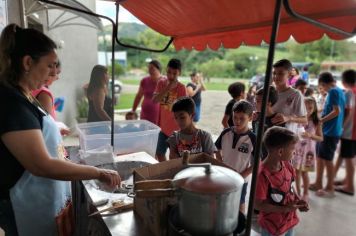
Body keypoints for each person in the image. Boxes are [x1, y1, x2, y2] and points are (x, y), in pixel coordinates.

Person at [0, 24, 120, 236]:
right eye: (49, 66)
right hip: (24, 203)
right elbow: (41, 165)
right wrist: (98, 172)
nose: (53, 72)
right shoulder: (12, 103)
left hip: (43, 196)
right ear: (28, 62)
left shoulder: (26, 96)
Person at [255, 127, 309, 236]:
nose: (295, 152)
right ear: (280, 151)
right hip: (272, 225)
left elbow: (289, 187)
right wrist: (285, 209)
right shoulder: (262, 175)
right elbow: (257, 205)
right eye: (293, 149)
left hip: (289, 220)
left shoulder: (287, 165)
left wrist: (298, 200)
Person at [215, 100, 256, 213]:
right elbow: (216, 149)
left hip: (241, 179)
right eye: (235, 117)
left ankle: (241, 226)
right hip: (224, 176)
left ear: (250, 117)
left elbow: (256, 163)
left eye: (242, 118)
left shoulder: (253, 139)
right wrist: (220, 162)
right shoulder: (226, 133)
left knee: (240, 203)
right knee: (222, 199)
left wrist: (240, 176)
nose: (237, 121)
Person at [309, 72, 345, 197]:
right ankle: (318, 182)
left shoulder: (334, 92)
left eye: (321, 87)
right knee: (320, 157)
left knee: (327, 159)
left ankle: (330, 187)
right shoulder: (339, 91)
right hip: (328, 130)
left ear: (323, 84)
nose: (322, 89)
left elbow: (337, 111)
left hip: (331, 131)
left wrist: (321, 120)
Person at [152, 58, 187, 162]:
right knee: (159, 153)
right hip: (162, 128)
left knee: (174, 156)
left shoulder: (181, 88)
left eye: (174, 73)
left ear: (179, 73)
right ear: (166, 70)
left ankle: (173, 174)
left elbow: (183, 110)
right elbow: (154, 100)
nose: (171, 76)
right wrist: (168, 88)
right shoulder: (161, 83)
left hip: (176, 130)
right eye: (169, 72)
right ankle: (166, 170)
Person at [292, 97, 323, 201]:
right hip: (297, 150)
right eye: (305, 108)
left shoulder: (316, 121)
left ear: (314, 108)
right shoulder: (297, 119)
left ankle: (305, 193)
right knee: (297, 173)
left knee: (304, 173)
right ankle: (298, 193)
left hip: (308, 152)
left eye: (310, 107)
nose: (308, 110)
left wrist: (310, 135)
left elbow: (320, 138)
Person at [333, 69, 356, 196]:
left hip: (349, 131)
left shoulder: (349, 93)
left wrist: (340, 128)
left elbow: (348, 112)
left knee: (349, 158)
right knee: (350, 157)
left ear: (344, 81)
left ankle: (350, 187)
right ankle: (347, 180)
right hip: (353, 131)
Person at [271, 59, 307, 133]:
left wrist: (288, 118)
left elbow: (304, 119)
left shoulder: (295, 94)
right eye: (274, 73)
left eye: (280, 73)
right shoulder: (268, 91)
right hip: (267, 135)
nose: (276, 76)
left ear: (289, 75)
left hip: (286, 137)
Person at [252, 86, 282, 160]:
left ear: (268, 103)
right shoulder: (256, 116)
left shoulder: (278, 120)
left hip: (270, 159)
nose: (255, 103)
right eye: (255, 100)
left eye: (258, 101)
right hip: (257, 157)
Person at [131, 60, 162, 125]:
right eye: (149, 68)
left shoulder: (164, 81)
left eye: (152, 69)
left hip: (158, 114)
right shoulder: (144, 80)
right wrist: (133, 110)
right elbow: (139, 96)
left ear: (158, 69)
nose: (149, 71)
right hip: (145, 113)